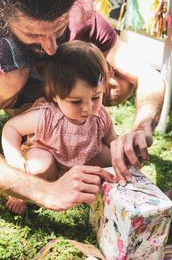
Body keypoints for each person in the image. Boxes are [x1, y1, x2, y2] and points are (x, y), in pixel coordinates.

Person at [0, 0, 165, 205]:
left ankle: (69, 129)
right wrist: (45, 193)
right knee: (11, 76)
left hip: (66, 96)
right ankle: (27, 124)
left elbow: (149, 76)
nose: (51, 49)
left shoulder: (83, 17)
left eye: (58, 29)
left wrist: (143, 127)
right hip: (30, 107)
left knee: (118, 82)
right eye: (33, 35)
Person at [2, 40, 117, 213]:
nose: (88, 108)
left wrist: (119, 154)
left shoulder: (100, 115)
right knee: (39, 165)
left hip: (83, 159)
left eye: (96, 97)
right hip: (51, 158)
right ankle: (20, 194)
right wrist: (15, 159)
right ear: (55, 96)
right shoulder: (48, 116)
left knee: (110, 157)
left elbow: (111, 139)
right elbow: (11, 128)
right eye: (76, 101)